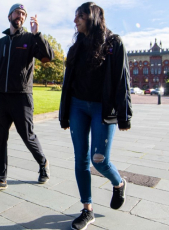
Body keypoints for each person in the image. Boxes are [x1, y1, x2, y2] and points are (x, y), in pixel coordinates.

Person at [59, 2, 132, 230]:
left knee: (99, 160)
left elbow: (122, 80)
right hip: (78, 107)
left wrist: (124, 115)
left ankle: (119, 183)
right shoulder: (75, 47)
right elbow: (67, 84)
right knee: (80, 159)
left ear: (92, 16)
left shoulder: (114, 43)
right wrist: (64, 113)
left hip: (102, 109)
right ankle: (87, 209)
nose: (75, 21)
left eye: (79, 16)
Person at [0, 3, 54, 195]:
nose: (20, 16)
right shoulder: (1, 43)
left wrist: (37, 34)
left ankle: (42, 162)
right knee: (0, 139)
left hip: (22, 97)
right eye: (17, 12)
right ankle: (0, 178)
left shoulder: (30, 39)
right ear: (9, 16)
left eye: (23, 14)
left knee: (28, 136)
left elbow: (48, 58)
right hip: (2, 97)